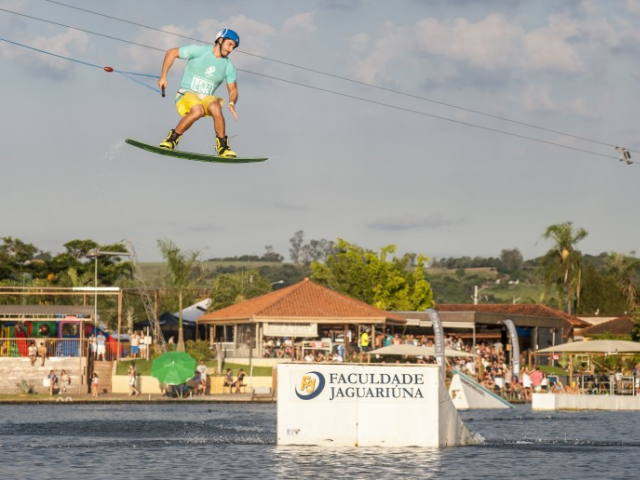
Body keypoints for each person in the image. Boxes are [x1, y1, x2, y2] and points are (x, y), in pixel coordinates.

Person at [157, 28, 240, 158]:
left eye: (233, 47)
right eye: (229, 44)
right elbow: (171, 52)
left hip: (205, 98)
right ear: (220, 40)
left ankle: (223, 147)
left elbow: (233, 89)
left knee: (215, 106)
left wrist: (231, 102)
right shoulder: (200, 51)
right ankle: (172, 139)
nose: (231, 49)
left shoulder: (228, 66)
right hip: (187, 94)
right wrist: (163, 76)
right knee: (197, 110)